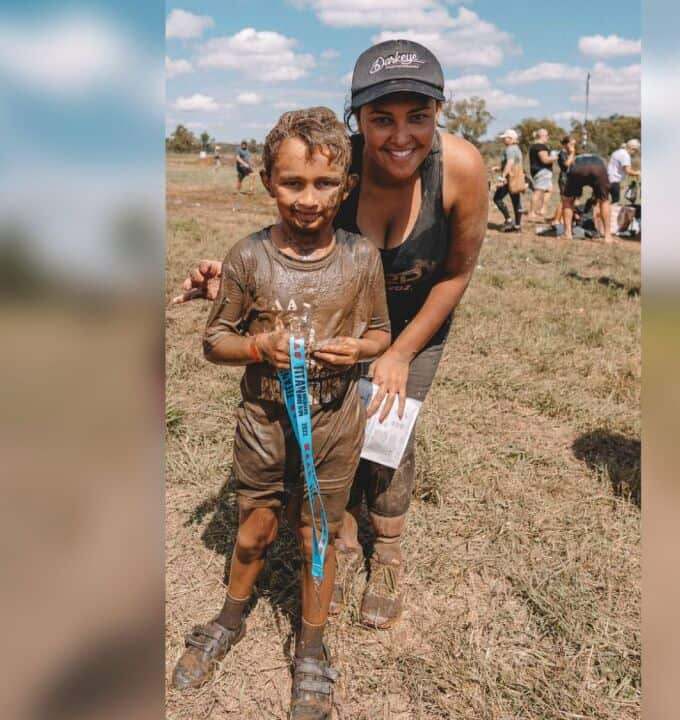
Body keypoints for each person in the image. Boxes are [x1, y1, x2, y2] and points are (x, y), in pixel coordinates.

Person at [174, 39, 488, 634]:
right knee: (339, 431)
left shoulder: (462, 167)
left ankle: (387, 556)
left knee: (389, 431)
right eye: (381, 119)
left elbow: (456, 271)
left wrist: (397, 352)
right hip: (339, 323)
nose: (401, 137)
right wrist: (231, 279)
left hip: (419, 318)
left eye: (418, 117)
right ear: (357, 120)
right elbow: (296, 238)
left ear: (440, 113)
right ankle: (339, 540)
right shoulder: (335, 166)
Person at [170, 108, 392, 720]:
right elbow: (215, 341)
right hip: (264, 420)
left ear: (346, 187)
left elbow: (378, 331)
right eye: (292, 183)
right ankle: (230, 615)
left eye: (324, 184)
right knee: (255, 528)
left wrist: (361, 349)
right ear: (268, 180)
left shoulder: (360, 257)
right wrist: (258, 347)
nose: (308, 199)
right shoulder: (248, 257)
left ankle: (312, 646)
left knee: (316, 529)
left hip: (335, 416)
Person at [559, 152, 615, 242]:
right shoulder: (599, 158)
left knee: (568, 201)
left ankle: (567, 234)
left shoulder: (577, 157)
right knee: (604, 201)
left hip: (578, 168)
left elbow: (568, 167)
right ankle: (608, 236)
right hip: (598, 168)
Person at [491, 128, 524, 232]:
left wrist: (502, 177)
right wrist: (499, 168)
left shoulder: (509, 149)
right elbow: (514, 164)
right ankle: (517, 226)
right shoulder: (517, 149)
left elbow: (510, 163)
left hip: (510, 178)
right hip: (517, 178)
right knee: (516, 201)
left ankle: (508, 220)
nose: (503, 140)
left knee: (497, 198)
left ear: (510, 138)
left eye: (505, 138)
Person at [527, 127, 557, 221]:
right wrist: (556, 157)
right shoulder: (540, 147)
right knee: (538, 191)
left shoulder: (534, 146)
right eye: (547, 136)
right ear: (543, 136)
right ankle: (531, 212)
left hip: (542, 172)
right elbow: (545, 160)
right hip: (542, 171)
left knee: (549, 190)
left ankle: (542, 210)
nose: (548, 138)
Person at [550, 135, 577, 225]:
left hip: (571, 178)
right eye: (571, 144)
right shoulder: (562, 153)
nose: (573, 146)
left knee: (570, 201)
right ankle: (556, 219)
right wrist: (572, 153)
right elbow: (566, 164)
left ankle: (563, 219)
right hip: (564, 178)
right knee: (564, 201)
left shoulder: (569, 153)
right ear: (566, 144)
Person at [606, 138, 640, 207]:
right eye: (635, 151)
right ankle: (611, 217)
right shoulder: (625, 155)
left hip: (607, 179)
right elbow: (628, 171)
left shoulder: (617, 152)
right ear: (632, 148)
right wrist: (638, 173)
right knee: (615, 203)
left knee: (604, 202)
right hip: (614, 181)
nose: (635, 153)